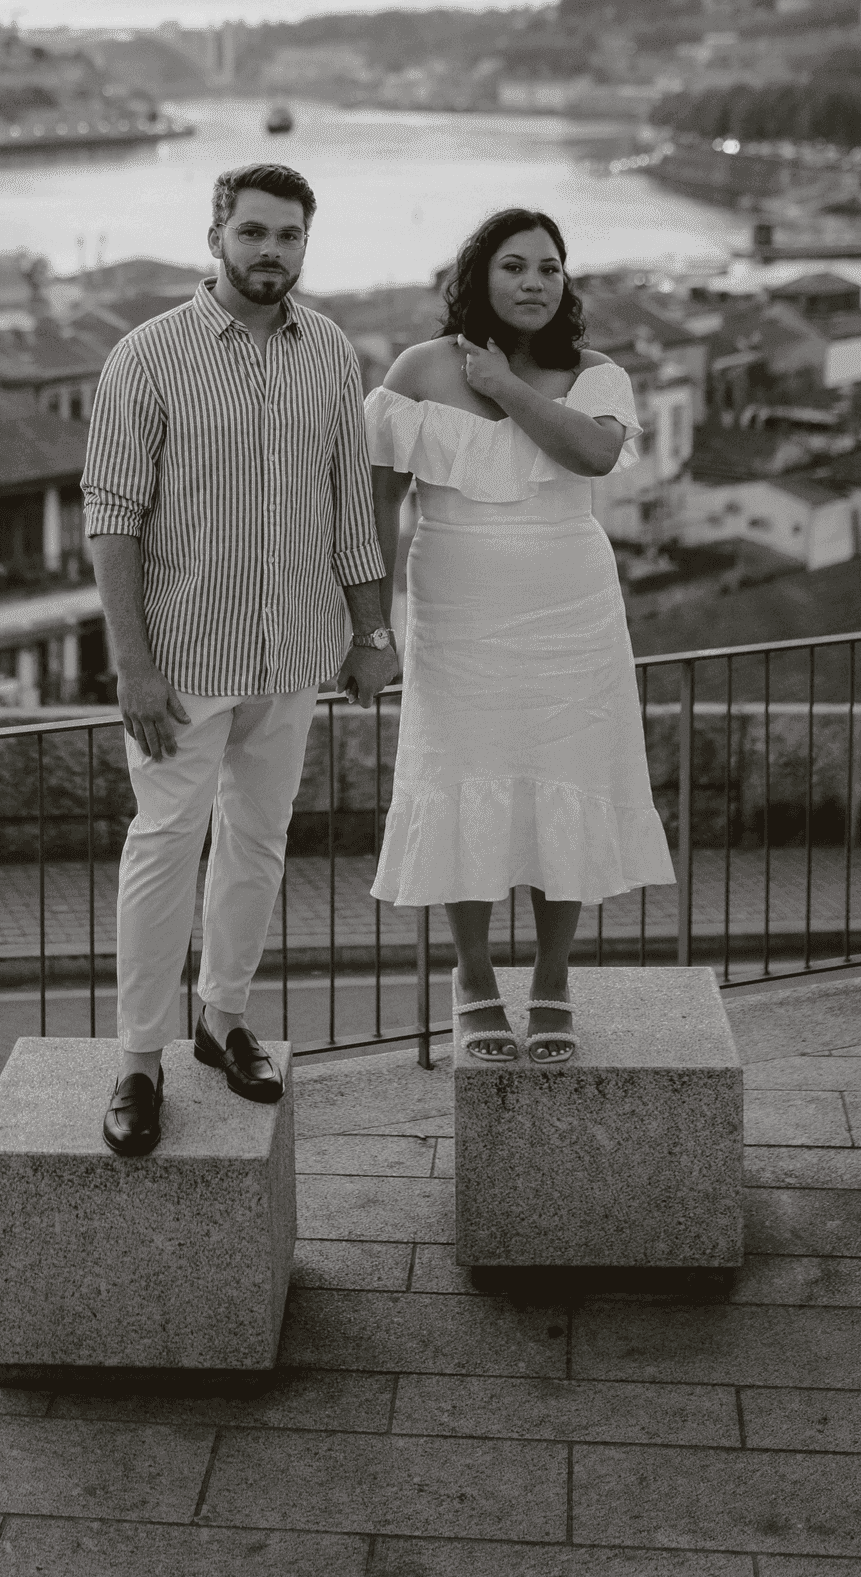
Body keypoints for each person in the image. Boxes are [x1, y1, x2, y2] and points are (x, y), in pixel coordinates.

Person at [82, 162, 400, 1155]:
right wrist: (131, 665)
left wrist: (372, 632)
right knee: (166, 842)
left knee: (259, 839)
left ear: (307, 243)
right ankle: (139, 1056)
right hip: (183, 658)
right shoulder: (147, 356)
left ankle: (222, 1018)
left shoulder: (332, 352)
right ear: (216, 232)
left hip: (296, 647)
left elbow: (353, 510)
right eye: (254, 231)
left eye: (290, 235)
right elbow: (111, 518)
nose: (272, 251)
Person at [363, 208, 675, 1064]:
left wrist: (505, 388)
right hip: (455, 609)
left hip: (571, 610)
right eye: (514, 266)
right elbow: (379, 503)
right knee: (463, 776)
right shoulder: (417, 371)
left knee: (561, 775)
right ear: (479, 277)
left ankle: (552, 977)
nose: (535, 282)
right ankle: (472, 977)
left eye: (549, 267)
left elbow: (594, 458)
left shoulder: (598, 374)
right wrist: (371, 629)